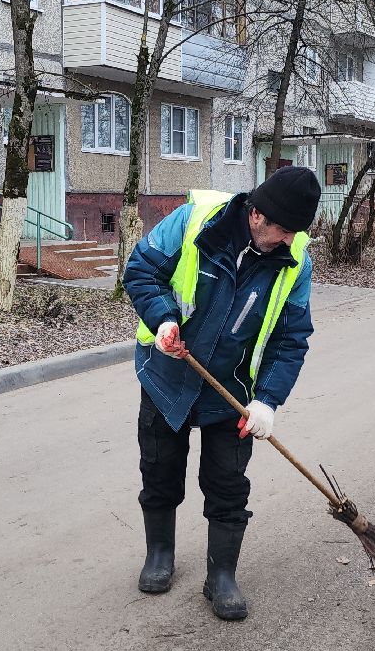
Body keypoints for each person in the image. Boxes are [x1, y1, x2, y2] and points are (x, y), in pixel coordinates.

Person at [122, 166, 321, 621]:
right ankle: (159, 555)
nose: (289, 241)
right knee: (159, 467)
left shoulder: (295, 263)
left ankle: (222, 576)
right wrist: (164, 319)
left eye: (296, 233)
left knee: (229, 484)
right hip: (166, 374)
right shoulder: (194, 221)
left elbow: (291, 339)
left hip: (232, 391)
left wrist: (267, 400)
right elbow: (142, 270)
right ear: (257, 216)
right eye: (284, 230)